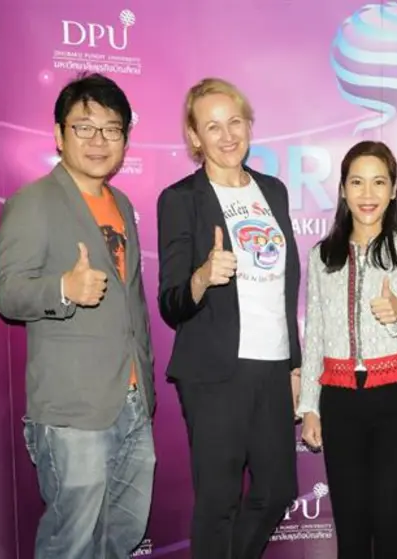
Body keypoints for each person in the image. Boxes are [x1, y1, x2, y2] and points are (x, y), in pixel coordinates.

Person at [0, 72, 156, 558]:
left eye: (111, 129)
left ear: (125, 138)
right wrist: (64, 288)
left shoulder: (122, 204)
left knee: (122, 535)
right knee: (71, 542)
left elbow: (132, 302)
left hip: (131, 400)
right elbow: (9, 295)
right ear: (59, 134)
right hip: (72, 409)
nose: (98, 140)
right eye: (84, 127)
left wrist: (143, 382)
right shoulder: (33, 202)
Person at [156, 77, 301, 559]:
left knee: (277, 490)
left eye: (235, 122)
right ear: (194, 136)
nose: (227, 135)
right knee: (218, 501)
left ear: (249, 126)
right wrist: (202, 277)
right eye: (212, 126)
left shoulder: (273, 191)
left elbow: (285, 287)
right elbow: (171, 302)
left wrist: (294, 366)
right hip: (215, 370)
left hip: (271, 365)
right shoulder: (181, 199)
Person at [298, 140, 397, 559]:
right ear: (342, 189)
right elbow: (315, 335)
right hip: (340, 401)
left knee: (392, 528)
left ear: (394, 190)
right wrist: (310, 406)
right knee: (352, 532)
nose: (367, 194)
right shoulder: (322, 256)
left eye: (379, 182)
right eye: (357, 182)